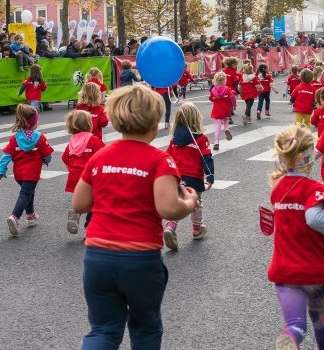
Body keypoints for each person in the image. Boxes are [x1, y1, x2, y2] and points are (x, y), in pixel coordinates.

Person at [71, 85, 198, 349]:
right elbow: (168, 208)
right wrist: (189, 203)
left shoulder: (100, 156)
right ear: (154, 124)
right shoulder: (160, 160)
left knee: (103, 329)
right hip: (140, 257)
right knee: (145, 328)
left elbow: (79, 203)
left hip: (97, 256)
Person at [267, 125, 324, 350]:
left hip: (285, 271)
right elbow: (314, 218)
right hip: (315, 270)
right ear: (309, 157)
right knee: (320, 316)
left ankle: (291, 338)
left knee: (295, 324)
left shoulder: (278, 189)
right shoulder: (314, 188)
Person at [0, 104, 55, 236]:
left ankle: (30, 215)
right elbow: (48, 156)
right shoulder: (40, 137)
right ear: (34, 122)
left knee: (28, 192)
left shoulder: (15, 138)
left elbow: (6, 155)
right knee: (25, 194)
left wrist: (1, 170)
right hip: (32, 173)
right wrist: (46, 160)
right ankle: (15, 217)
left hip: (18, 174)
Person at [163, 102, 214, 250]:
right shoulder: (201, 139)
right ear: (196, 118)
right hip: (194, 177)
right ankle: (197, 229)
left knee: (177, 202)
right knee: (196, 203)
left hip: (177, 177)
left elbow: (166, 157)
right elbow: (206, 158)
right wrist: (210, 175)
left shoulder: (175, 140)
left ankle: (170, 226)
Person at [63, 110, 105, 235]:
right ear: (89, 124)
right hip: (90, 178)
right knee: (94, 203)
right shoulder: (94, 140)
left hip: (75, 176)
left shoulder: (72, 141)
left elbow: (65, 158)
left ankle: (76, 212)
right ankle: (89, 227)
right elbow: (104, 156)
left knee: (82, 199)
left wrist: (71, 170)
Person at [209, 71, 236, 150]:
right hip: (226, 108)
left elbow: (210, 98)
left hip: (217, 109)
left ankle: (216, 141)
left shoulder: (213, 90)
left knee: (217, 125)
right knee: (225, 118)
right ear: (224, 80)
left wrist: (215, 100)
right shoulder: (227, 89)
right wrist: (233, 105)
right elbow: (232, 97)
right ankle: (226, 128)